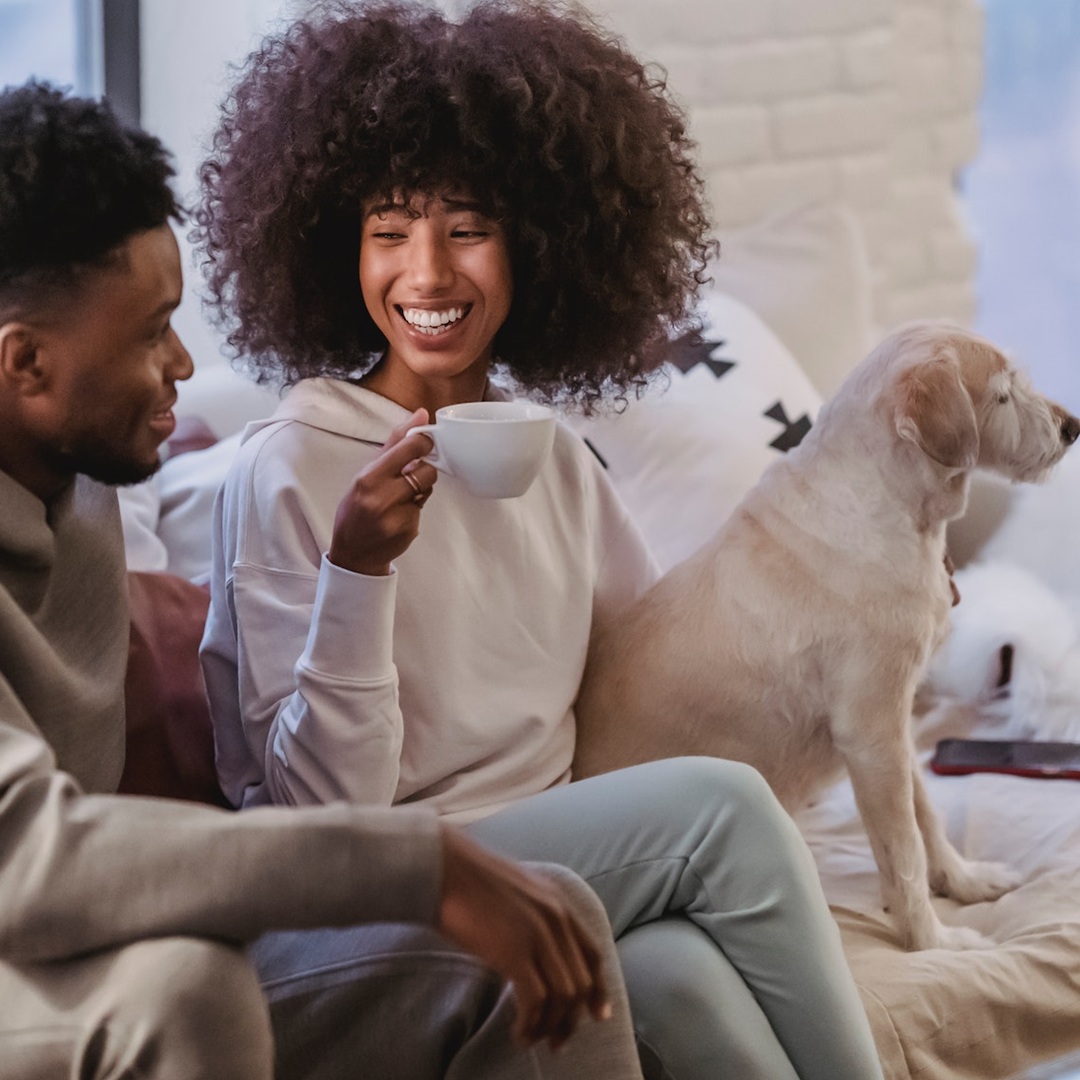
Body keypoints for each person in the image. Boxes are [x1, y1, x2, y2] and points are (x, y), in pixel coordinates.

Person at [197, 2, 886, 1077]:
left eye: (466, 229)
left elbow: (657, 679)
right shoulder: (293, 462)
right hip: (364, 896)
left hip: (551, 870)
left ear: (540, 242)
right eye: (389, 233)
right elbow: (327, 817)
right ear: (341, 251)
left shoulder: (554, 458)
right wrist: (360, 568)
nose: (426, 274)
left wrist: (862, 571)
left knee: (676, 978)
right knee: (723, 813)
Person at [0, 79, 647, 1080]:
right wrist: (417, 864)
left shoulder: (79, 493)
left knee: (550, 933)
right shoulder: (286, 463)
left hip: (97, 946)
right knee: (188, 990)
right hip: (33, 959)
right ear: (25, 365)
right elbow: (27, 863)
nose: (182, 363)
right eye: (150, 331)